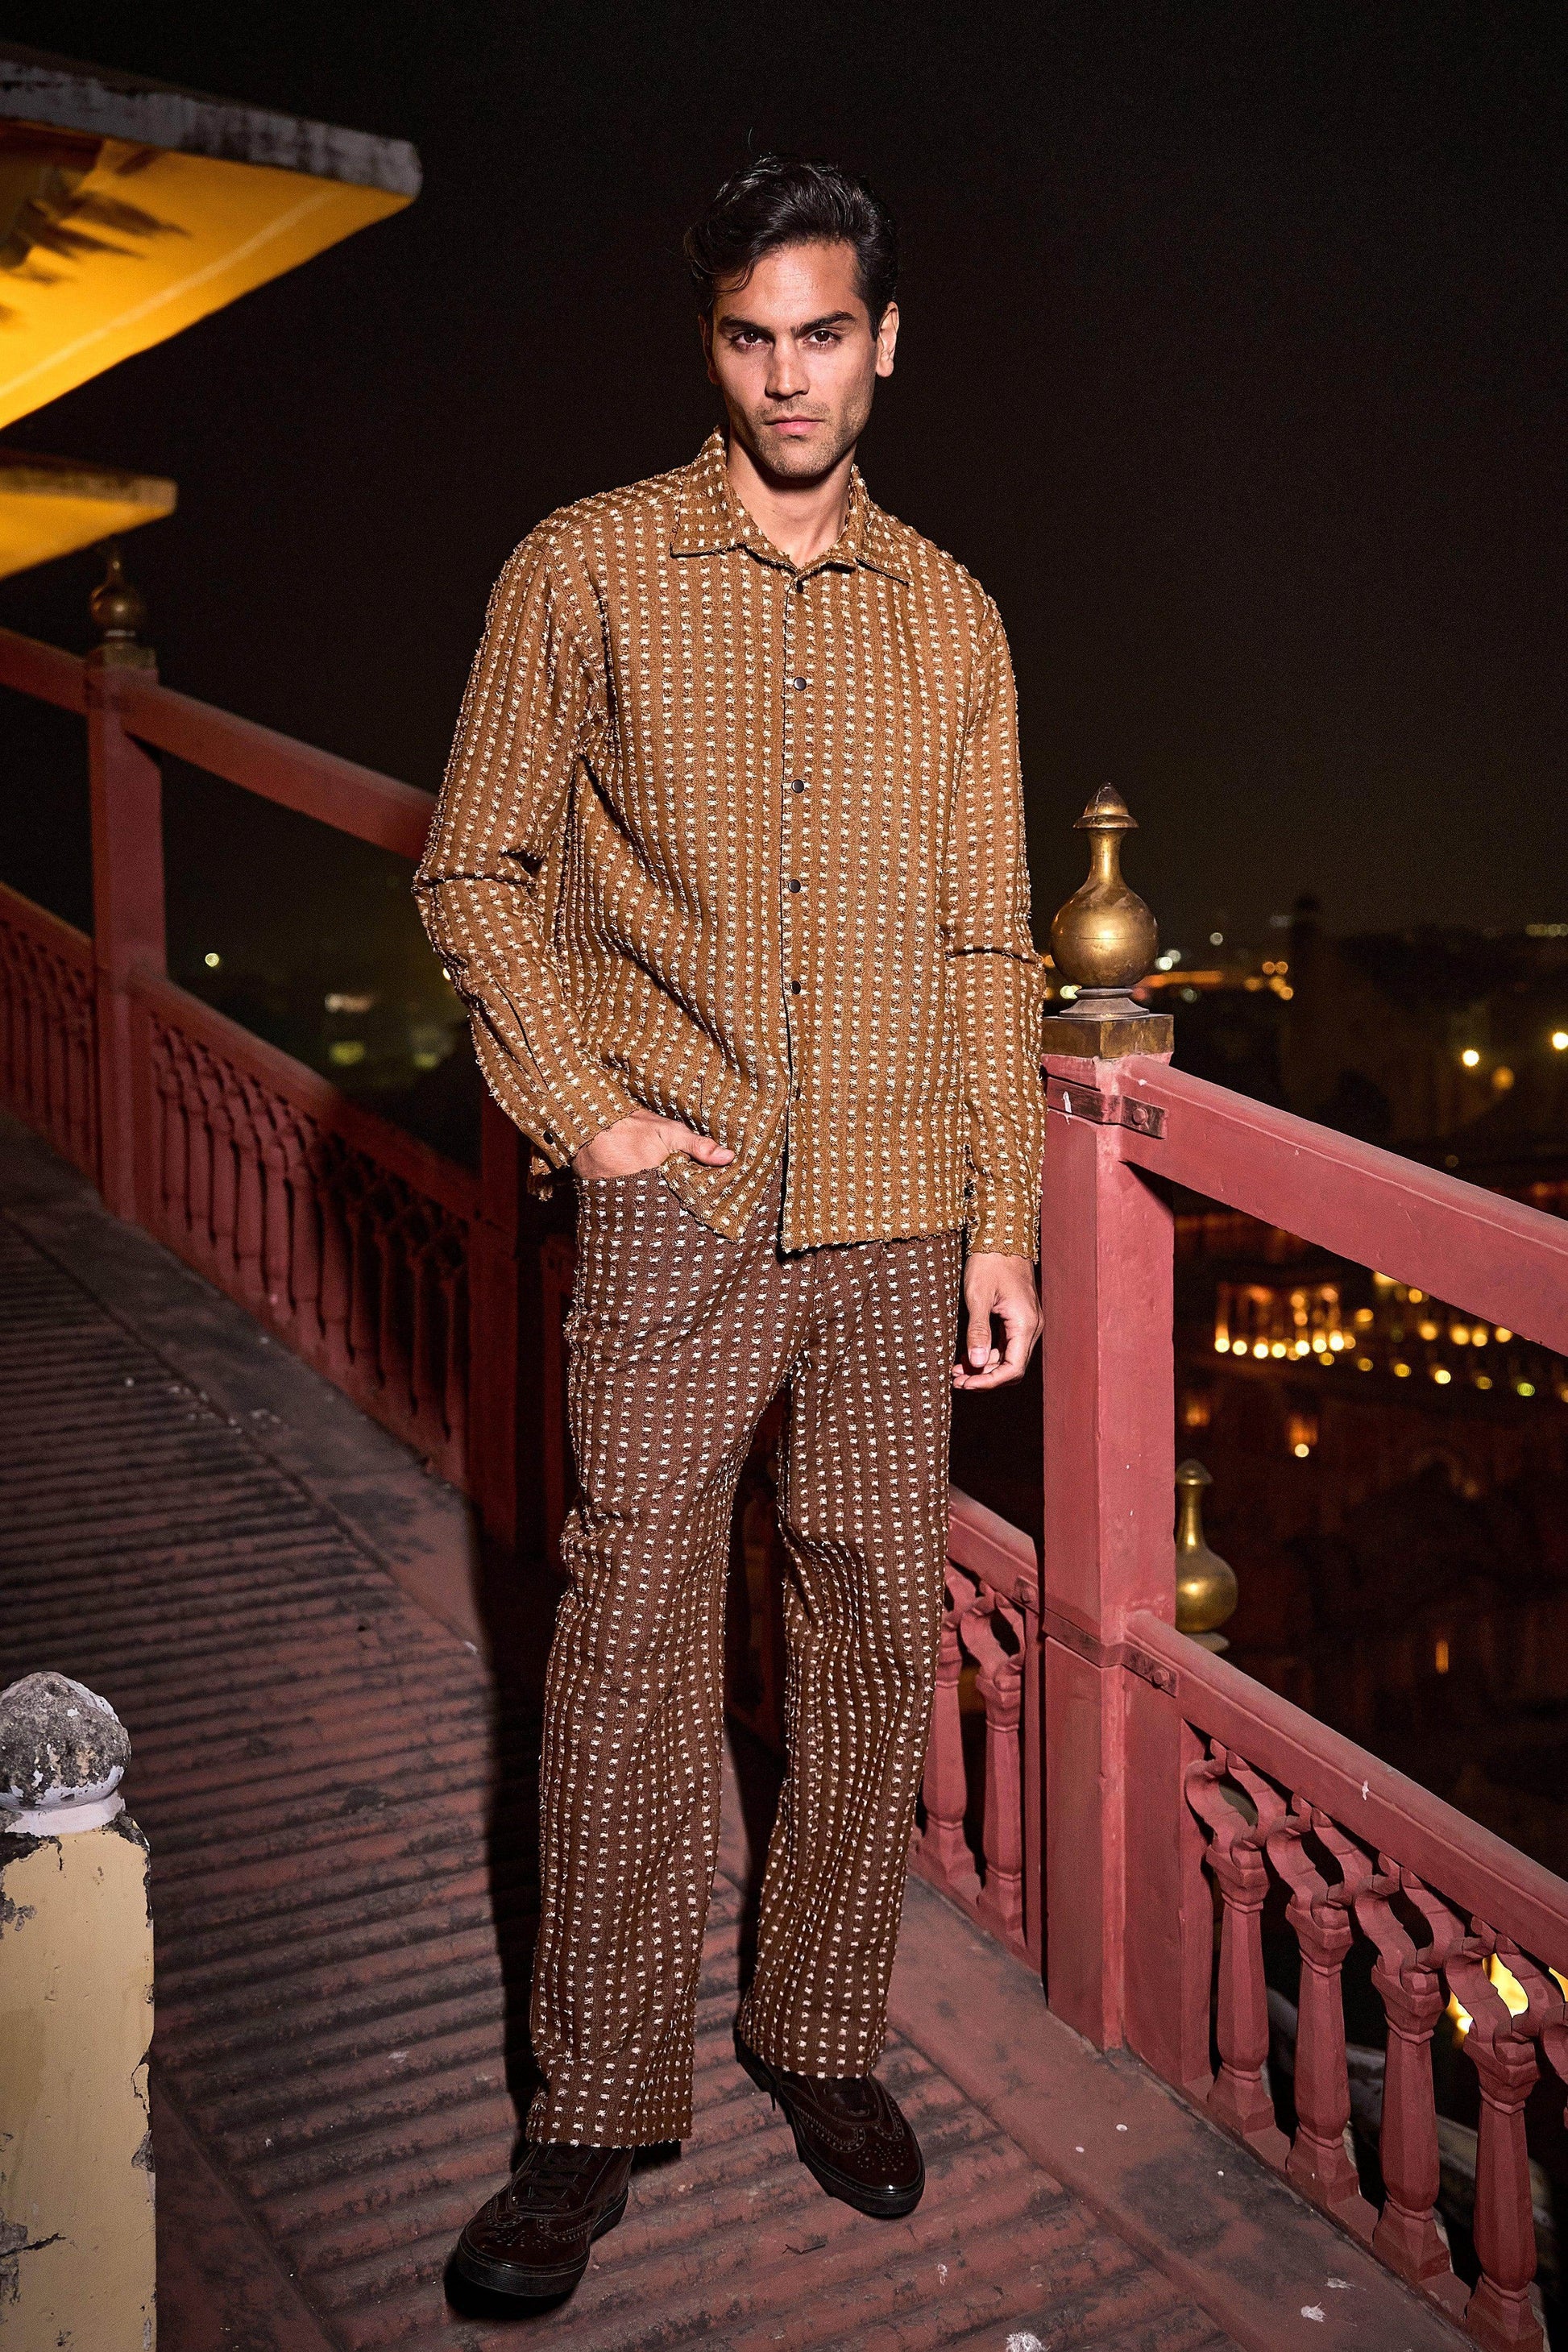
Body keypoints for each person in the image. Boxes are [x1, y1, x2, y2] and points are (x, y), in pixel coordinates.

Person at [414, 153, 1047, 2304]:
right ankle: (591, 2101)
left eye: (824, 334)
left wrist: (1001, 1220)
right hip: (681, 1210)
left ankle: (822, 2034)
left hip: (896, 1215)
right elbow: (472, 866)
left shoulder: (951, 616)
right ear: (710, 346)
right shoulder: (584, 567)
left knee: (871, 1634)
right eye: (749, 336)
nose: (788, 376)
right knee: (625, 1644)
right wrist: (585, 1115)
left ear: (887, 344)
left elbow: (989, 943)